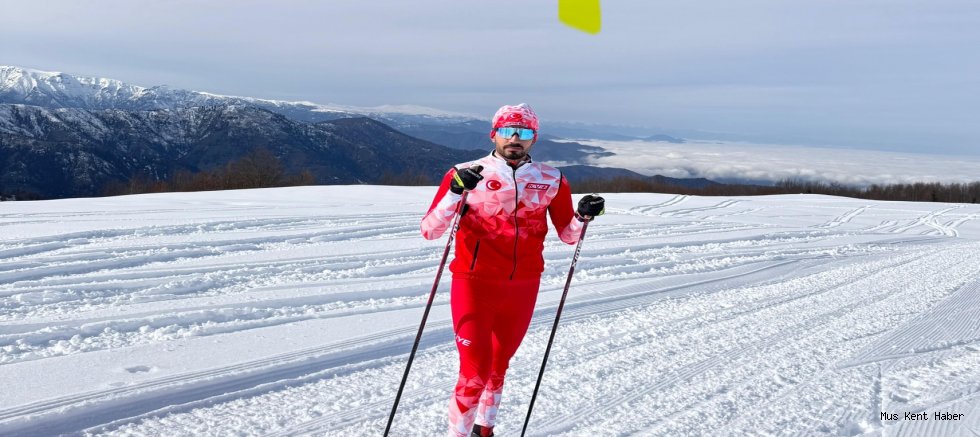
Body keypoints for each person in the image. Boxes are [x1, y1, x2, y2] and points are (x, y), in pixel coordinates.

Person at [420, 103, 605, 437]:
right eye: (507, 132)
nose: (515, 139)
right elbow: (430, 229)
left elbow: (566, 235)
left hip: (523, 285)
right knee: (474, 372)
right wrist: (455, 192)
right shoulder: (466, 172)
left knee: (498, 369)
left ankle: (485, 430)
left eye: (524, 133)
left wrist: (582, 216)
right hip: (474, 282)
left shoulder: (551, 179)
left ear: (534, 138)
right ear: (494, 134)